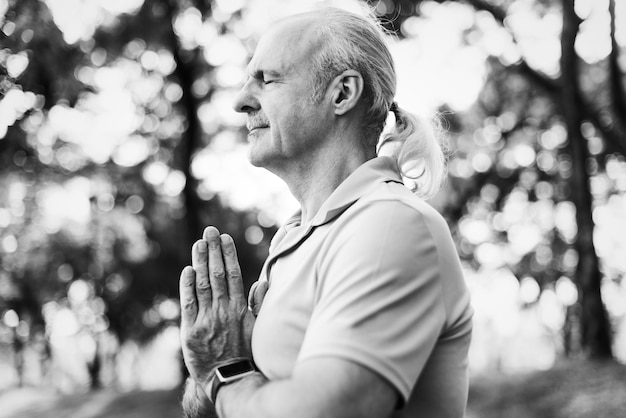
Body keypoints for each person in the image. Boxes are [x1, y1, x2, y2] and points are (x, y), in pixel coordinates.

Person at [178, 6, 473, 418]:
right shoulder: (296, 237)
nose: (241, 101)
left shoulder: (391, 224)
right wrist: (209, 368)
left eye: (267, 79)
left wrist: (224, 369)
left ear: (341, 94)